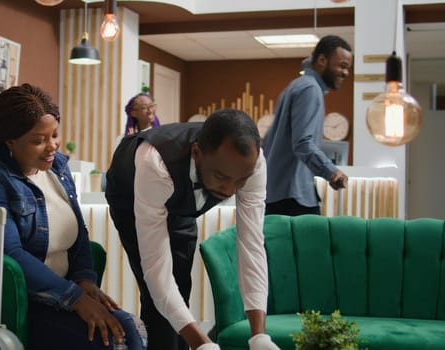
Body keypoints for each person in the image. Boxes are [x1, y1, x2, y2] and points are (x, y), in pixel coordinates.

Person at [0, 83, 145, 350]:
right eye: (38, 140)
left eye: (54, 135)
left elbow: (78, 235)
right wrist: (75, 298)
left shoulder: (58, 169)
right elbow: (10, 255)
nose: (51, 146)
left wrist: (85, 280)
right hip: (19, 301)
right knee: (113, 339)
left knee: (131, 329)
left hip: (62, 293)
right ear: (10, 139)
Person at [105, 109, 281, 350]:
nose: (230, 190)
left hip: (181, 204)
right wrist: (203, 344)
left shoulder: (252, 164)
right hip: (131, 195)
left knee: (181, 284)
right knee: (155, 294)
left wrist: (259, 336)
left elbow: (251, 246)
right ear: (197, 153)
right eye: (221, 176)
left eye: (239, 181)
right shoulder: (155, 162)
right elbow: (157, 271)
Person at [262, 35, 353, 216]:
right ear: (321, 60)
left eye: (348, 68)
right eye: (342, 66)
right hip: (293, 197)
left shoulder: (296, 86)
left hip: (279, 194)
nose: (345, 73)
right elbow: (303, 143)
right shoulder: (310, 90)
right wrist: (331, 171)